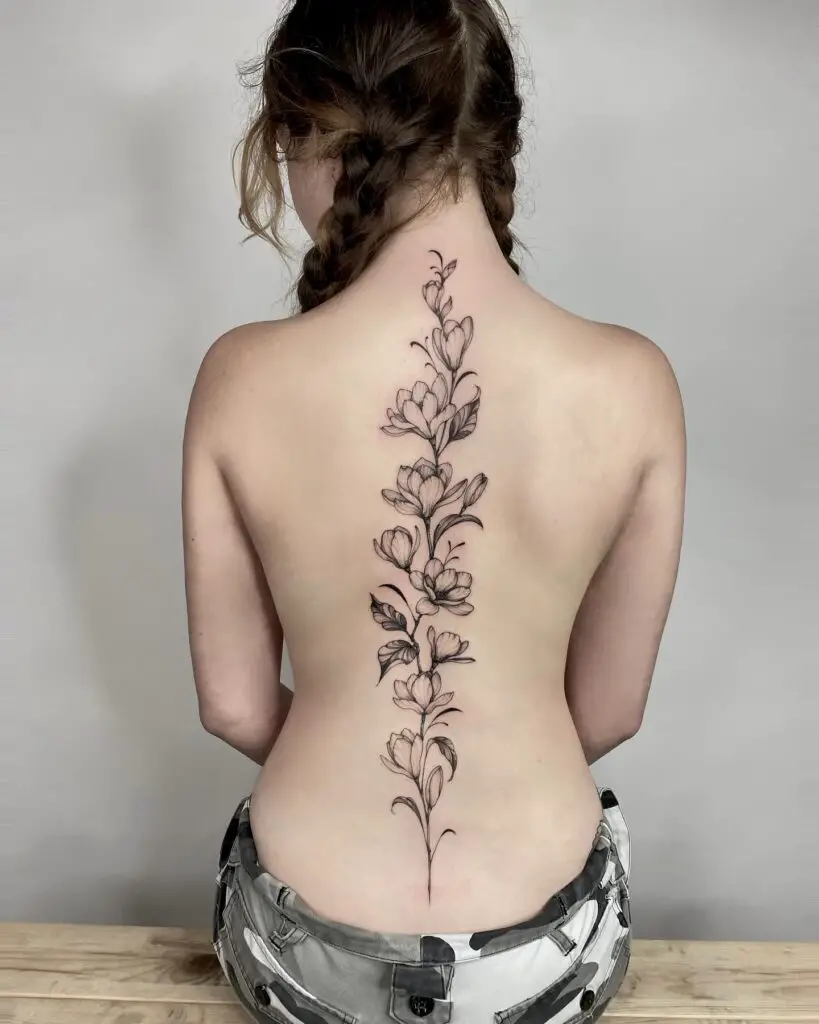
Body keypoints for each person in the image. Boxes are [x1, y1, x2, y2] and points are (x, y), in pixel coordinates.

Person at [181, 1, 686, 1020]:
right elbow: (610, 710)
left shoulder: (241, 376)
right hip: (545, 960)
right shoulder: (632, 383)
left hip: (302, 959)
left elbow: (233, 705)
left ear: (311, 136)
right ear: (499, 140)